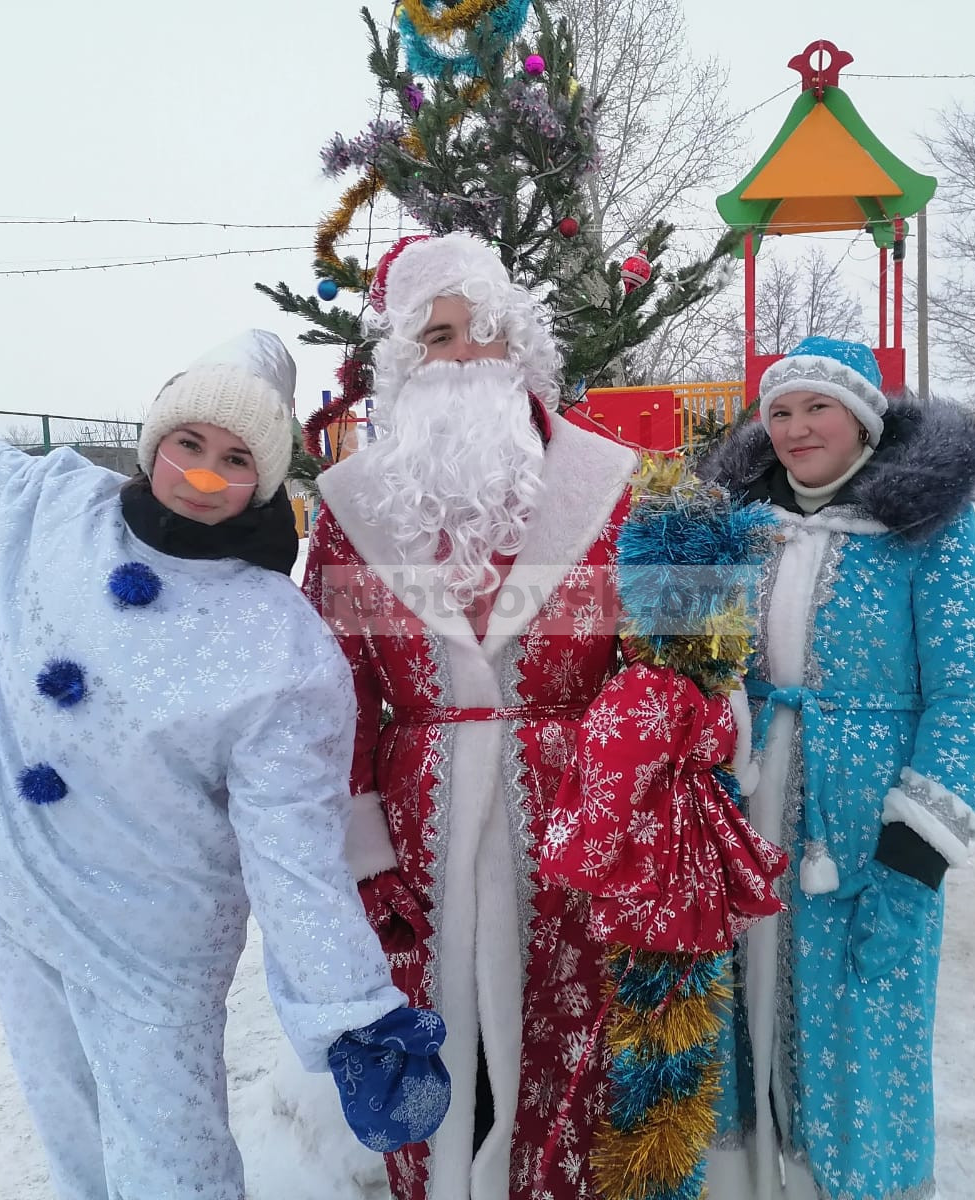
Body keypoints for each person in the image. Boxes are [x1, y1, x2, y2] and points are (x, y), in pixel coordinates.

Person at [0, 187, 450, 1200]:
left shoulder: (281, 647)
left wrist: (354, 1017)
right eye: (189, 443)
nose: (201, 474)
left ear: (265, 480)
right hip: (14, 887)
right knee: (67, 1123)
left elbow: (292, 849)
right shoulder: (44, 509)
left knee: (170, 1160)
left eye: (235, 459)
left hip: (151, 949)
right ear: (155, 438)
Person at [301, 232, 644, 1200]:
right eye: (438, 336)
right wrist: (363, 847)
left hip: (575, 818)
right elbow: (331, 691)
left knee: (571, 1046)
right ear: (404, 363)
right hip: (420, 826)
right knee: (445, 1046)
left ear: (519, 345)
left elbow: (673, 658)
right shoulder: (352, 506)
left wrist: (637, 798)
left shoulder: (610, 481)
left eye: (483, 332)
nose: (463, 356)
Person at [698, 337, 975, 1200]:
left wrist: (920, 842)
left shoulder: (928, 529)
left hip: (863, 831)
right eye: (780, 412)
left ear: (865, 421)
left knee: (864, 1019)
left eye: (817, 408)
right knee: (740, 1007)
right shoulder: (737, 527)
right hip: (745, 811)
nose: (796, 428)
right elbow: (683, 655)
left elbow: (968, 691)